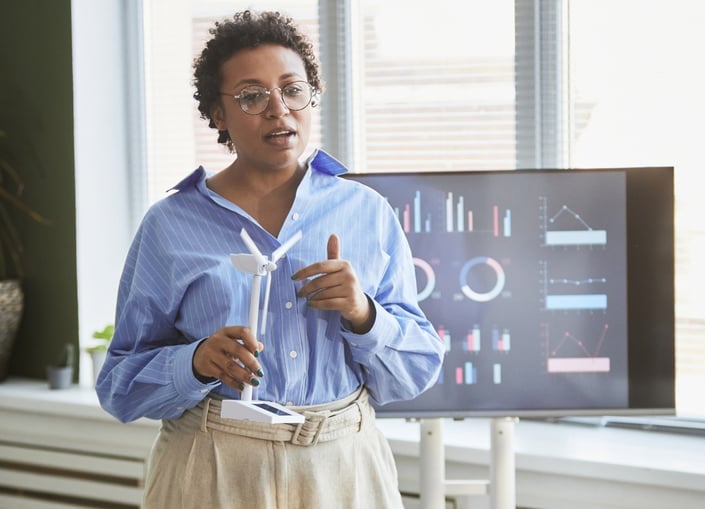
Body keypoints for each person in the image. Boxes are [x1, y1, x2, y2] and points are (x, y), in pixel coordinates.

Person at [96, 9, 445, 509]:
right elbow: (120, 387)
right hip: (212, 464)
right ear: (218, 114)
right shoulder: (169, 224)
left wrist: (363, 314)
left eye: (292, 89)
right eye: (252, 96)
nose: (278, 110)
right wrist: (194, 362)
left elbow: (415, 373)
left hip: (343, 466)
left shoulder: (367, 212)